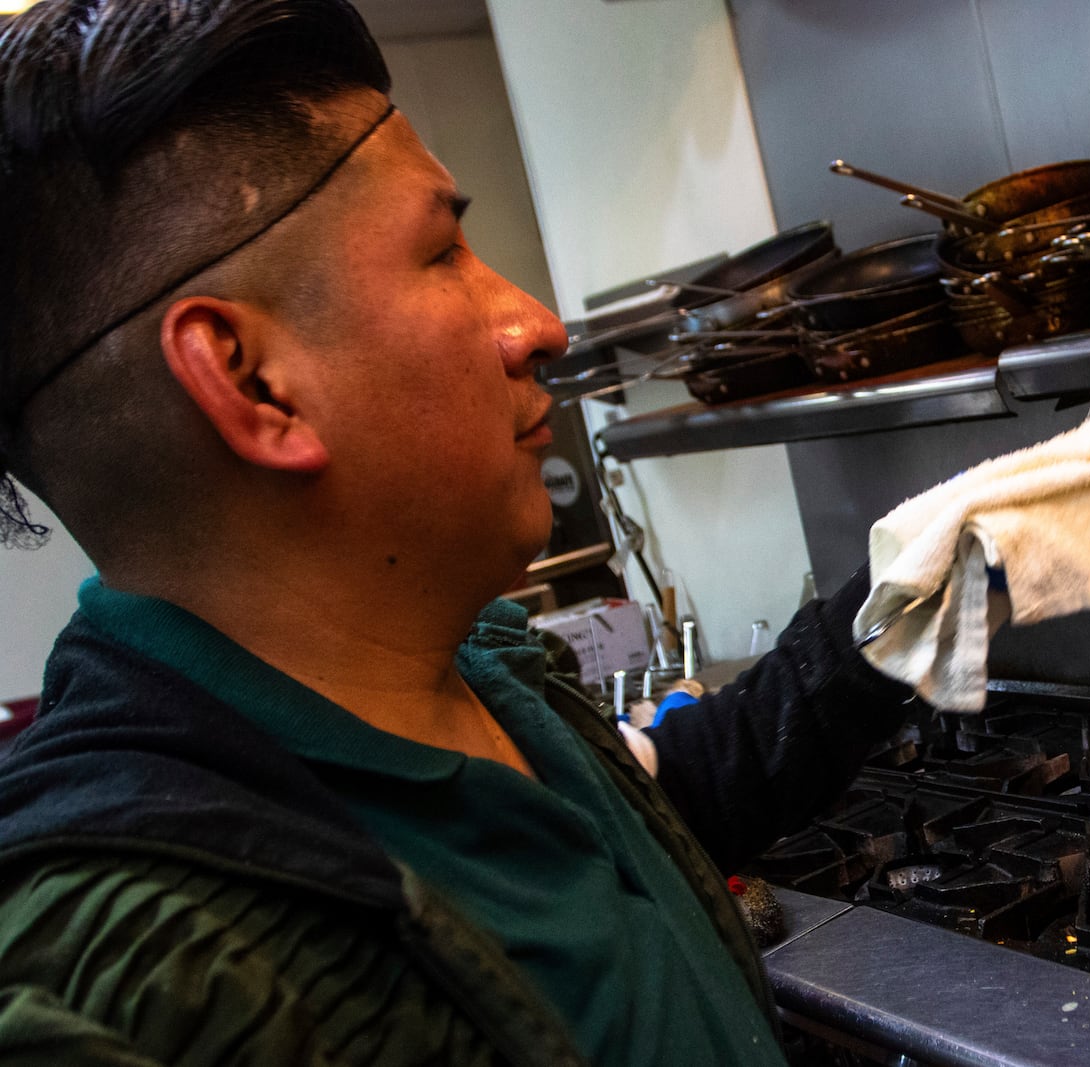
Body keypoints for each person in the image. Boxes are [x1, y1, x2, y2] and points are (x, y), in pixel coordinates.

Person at [0, 2, 922, 1063]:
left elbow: (651, 813)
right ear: (254, 381)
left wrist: (902, 594)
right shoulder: (131, 976)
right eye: (444, 251)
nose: (538, 324)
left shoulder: (478, 677)